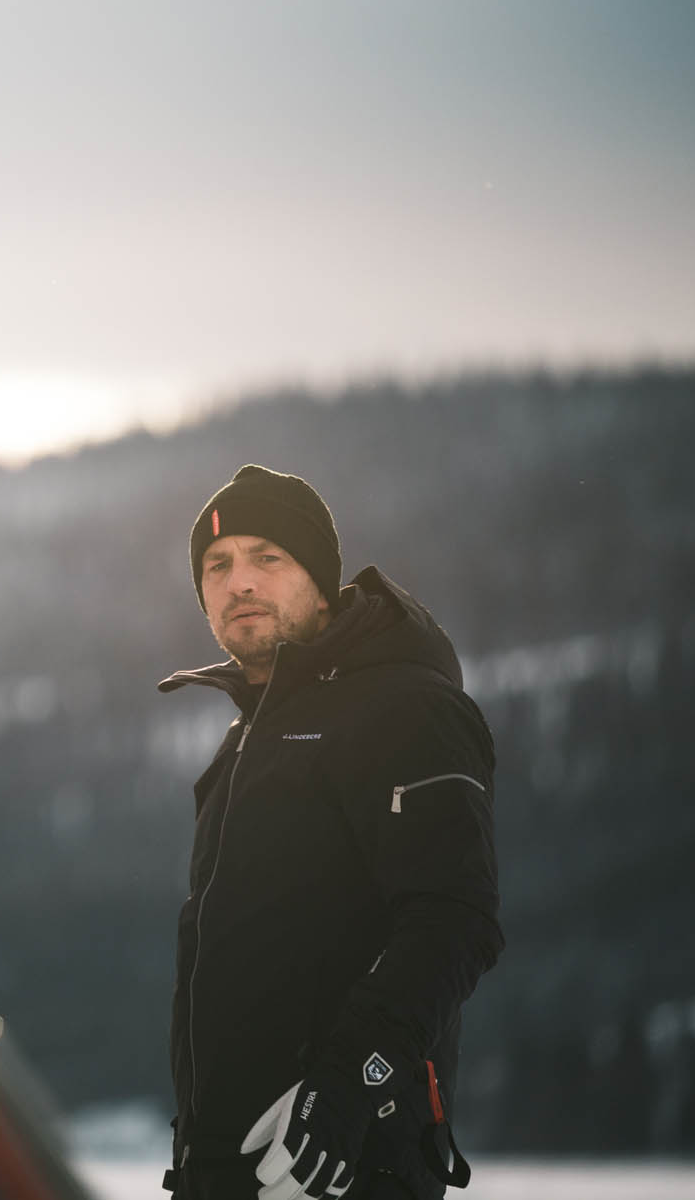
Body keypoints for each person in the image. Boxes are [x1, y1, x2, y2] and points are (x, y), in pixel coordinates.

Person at [160, 466, 503, 1200]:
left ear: (321, 583)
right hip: (229, 1169)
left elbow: (455, 918)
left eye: (268, 556)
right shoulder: (244, 743)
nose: (239, 581)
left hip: (346, 1165)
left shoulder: (405, 707)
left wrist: (348, 1085)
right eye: (217, 566)